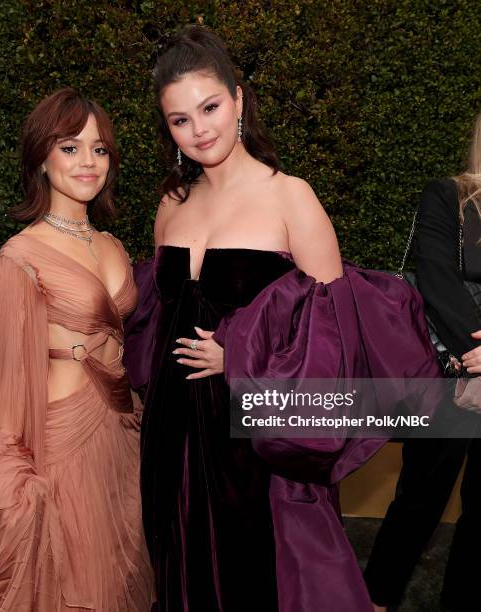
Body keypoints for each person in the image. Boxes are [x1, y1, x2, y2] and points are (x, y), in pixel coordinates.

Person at [123, 26, 443, 612]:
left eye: (211, 106)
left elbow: (337, 341)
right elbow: (155, 320)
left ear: (239, 100)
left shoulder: (291, 196)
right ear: (166, 130)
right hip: (173, 428)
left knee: (263, 582)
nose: (200, 129)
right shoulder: (171, 205)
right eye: (180, 119)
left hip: (260, 437)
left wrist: (239, 357)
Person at [0, 88, 154, 611]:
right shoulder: (19, 259)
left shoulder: (113, 246)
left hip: (123, 442)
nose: (88, 162)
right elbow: (11, 387)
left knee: (120, 583)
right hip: (61, 452)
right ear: (41, 159)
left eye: (99, 148)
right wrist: (9, 481)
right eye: (70, 148)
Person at [364, 112, 481, 612]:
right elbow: (434, 275)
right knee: (418, 501)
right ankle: (375, 600)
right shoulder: (448, 195)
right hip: (449, 367)